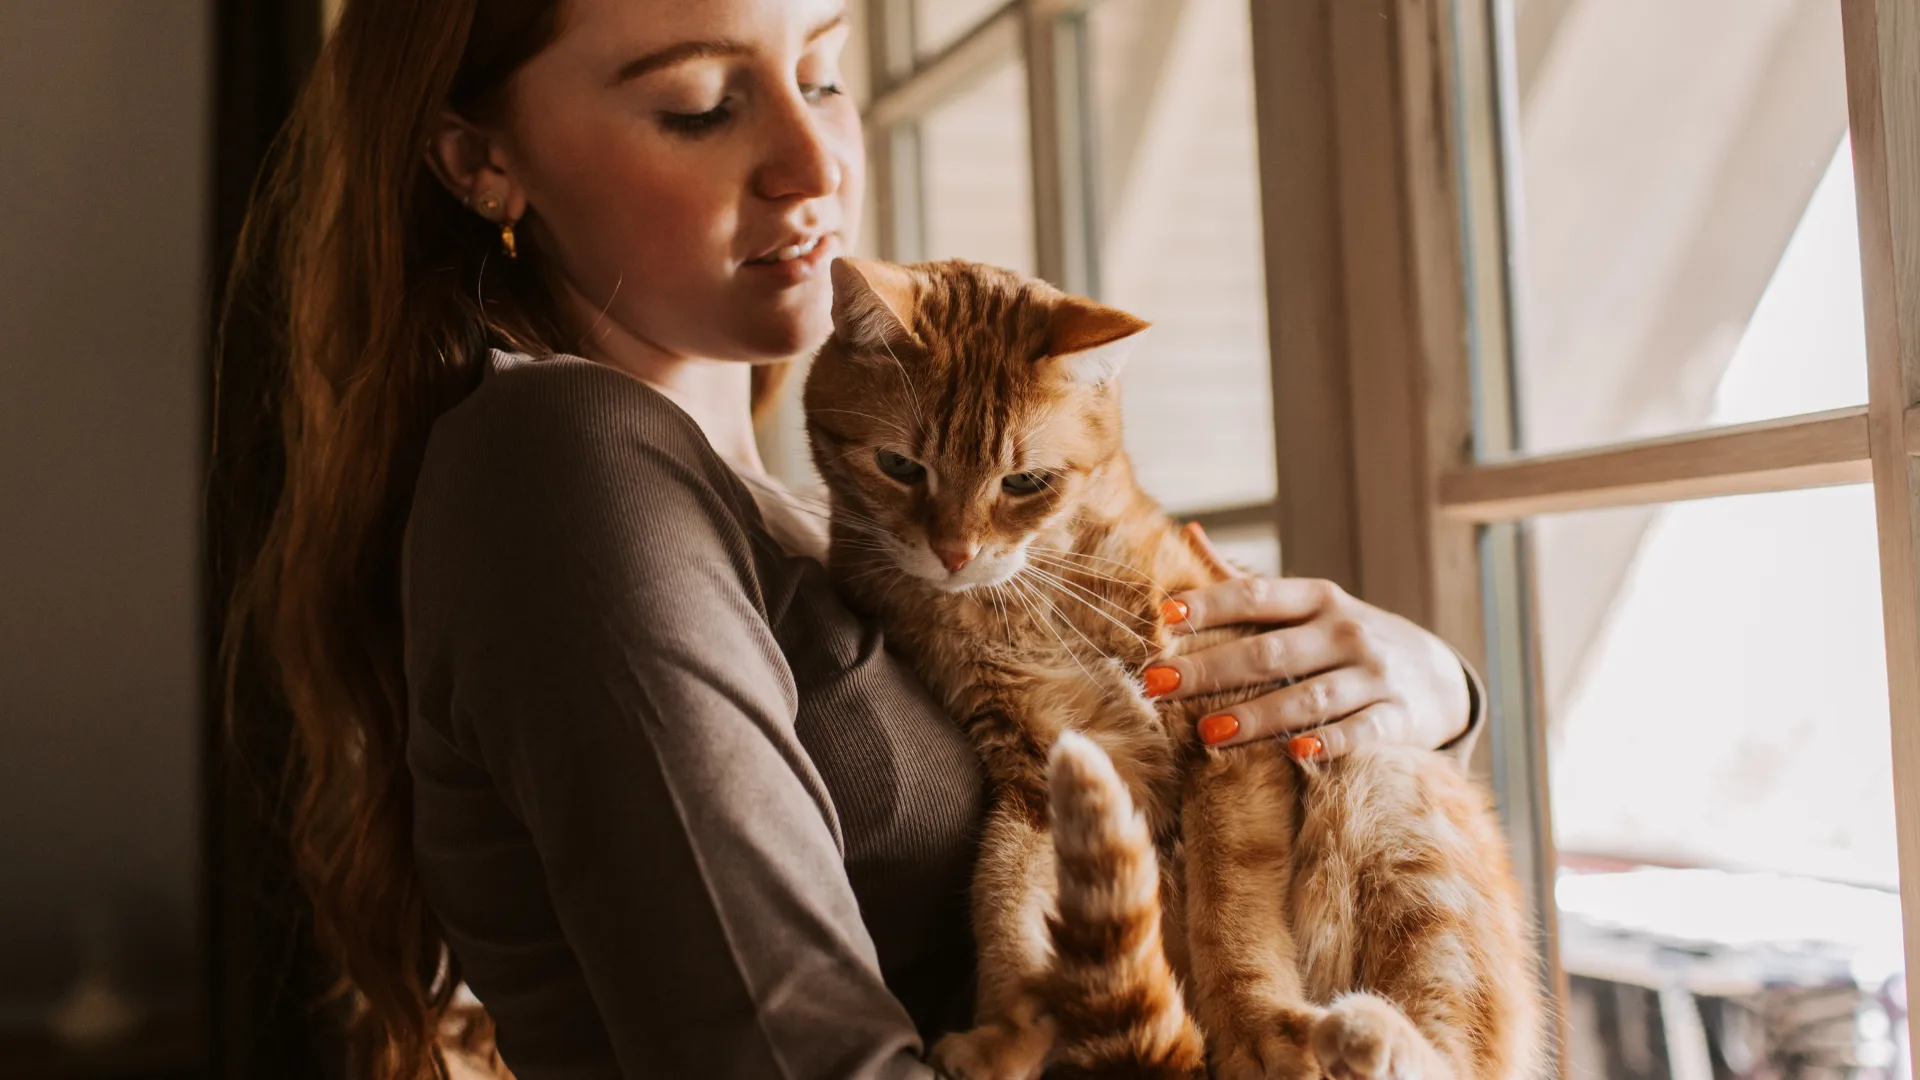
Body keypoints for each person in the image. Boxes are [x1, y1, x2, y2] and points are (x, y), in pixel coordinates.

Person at [223, 1, 1484, 1077]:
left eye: (824, 73)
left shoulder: (786, 511)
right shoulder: (570, 458)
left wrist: (1419, 701)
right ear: (479, 158)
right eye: (702, 106)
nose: (812, 164)